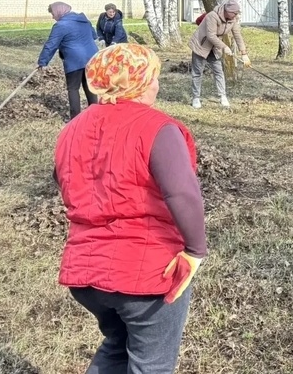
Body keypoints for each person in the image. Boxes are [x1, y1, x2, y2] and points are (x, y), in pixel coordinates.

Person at [55, 43, 206, 373]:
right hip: (145, 275)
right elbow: (182, 193)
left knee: (117, 346)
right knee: (151, 363)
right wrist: (195, 251)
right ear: (137, 81)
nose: (157, 85)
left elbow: (65, 183)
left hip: (84, 274)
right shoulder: (158, 128)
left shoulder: (71, 129)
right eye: (153, 77)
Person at [38, 2, 100, 120]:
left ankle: (75, 118)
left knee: (73, 89)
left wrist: (42, 61)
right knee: (89, 87)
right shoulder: (84, 20)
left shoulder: (61, 25)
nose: (53, 17)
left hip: (74, 60)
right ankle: (95, 115)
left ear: (59, 11)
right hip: (92, 59)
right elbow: (94, 35)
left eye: (53, 14)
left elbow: (51, 45)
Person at [187, 0, 250, 109]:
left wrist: (244, 53)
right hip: (201, 45)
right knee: (197, 73)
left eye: (237, 13)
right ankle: (196, 98)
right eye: (234, 13)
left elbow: (237, 35)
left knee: (219, 71)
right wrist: (224, 47)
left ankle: (222, 96)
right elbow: (211, 36)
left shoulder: (232, 19)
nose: (236, 15)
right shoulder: (212, 16)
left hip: (215, 48)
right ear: (228, 11)